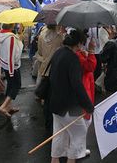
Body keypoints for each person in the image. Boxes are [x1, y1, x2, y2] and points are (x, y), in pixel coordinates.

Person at [49, 29, 94, 163]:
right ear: (79, 43)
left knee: (59, 135)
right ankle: (71, 160)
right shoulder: (73, 58)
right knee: (79, 133)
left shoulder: (58, 53)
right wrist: (88, 106)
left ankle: (54, 160)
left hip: (56, 103)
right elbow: (77, 85)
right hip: (70, 106)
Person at [35, 24, 64, 129]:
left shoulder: (41, 35)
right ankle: (54, 122)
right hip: (56, 70)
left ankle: (47, 120)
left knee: (47, 97)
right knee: (55, 95)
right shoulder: (60, 37)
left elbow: (40, 52)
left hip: (44, 68)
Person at [0, 23, 23, 118]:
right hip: (12, 66)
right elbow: (13, 53)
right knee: (16, 85)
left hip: (5, 64)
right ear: (11, 26)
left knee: (10, 85)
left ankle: (9, 107)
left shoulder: (0, 34)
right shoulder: (11, 37)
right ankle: (3, 106)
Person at [76, 36, 97, 157]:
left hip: (85, 85)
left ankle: (78, 149)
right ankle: (79, 151)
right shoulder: (78, 55)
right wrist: (91, 51)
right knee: (84, 122)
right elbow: (90, 66)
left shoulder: (75, 54)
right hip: (84, 87)